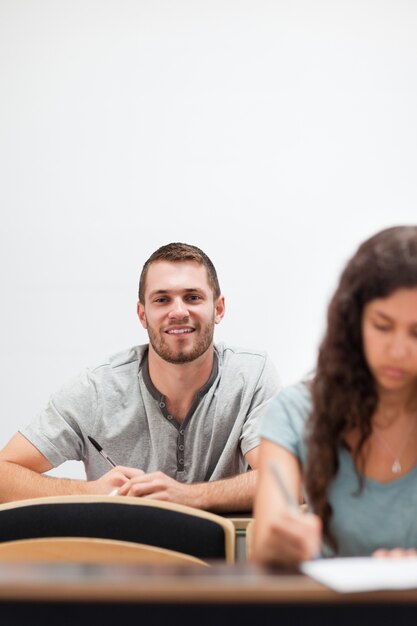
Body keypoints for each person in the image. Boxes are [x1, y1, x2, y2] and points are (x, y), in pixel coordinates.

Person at [0, 242, 279, 511]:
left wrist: (190, 497)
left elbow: (286, 480)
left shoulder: (250, 375)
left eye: (193, 297)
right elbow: (4, 474)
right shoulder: (98, 389)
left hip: (219, 558)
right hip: (122, 557)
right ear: (142, 314)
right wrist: (91, 493)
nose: (178, 311)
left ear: (218, 309)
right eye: (162, 299)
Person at [252, 226, 417, 565]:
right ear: (354, 323)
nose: (399, 350)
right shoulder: (297, 412)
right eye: (383, 327)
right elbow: (265, 550)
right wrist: (281, 543)